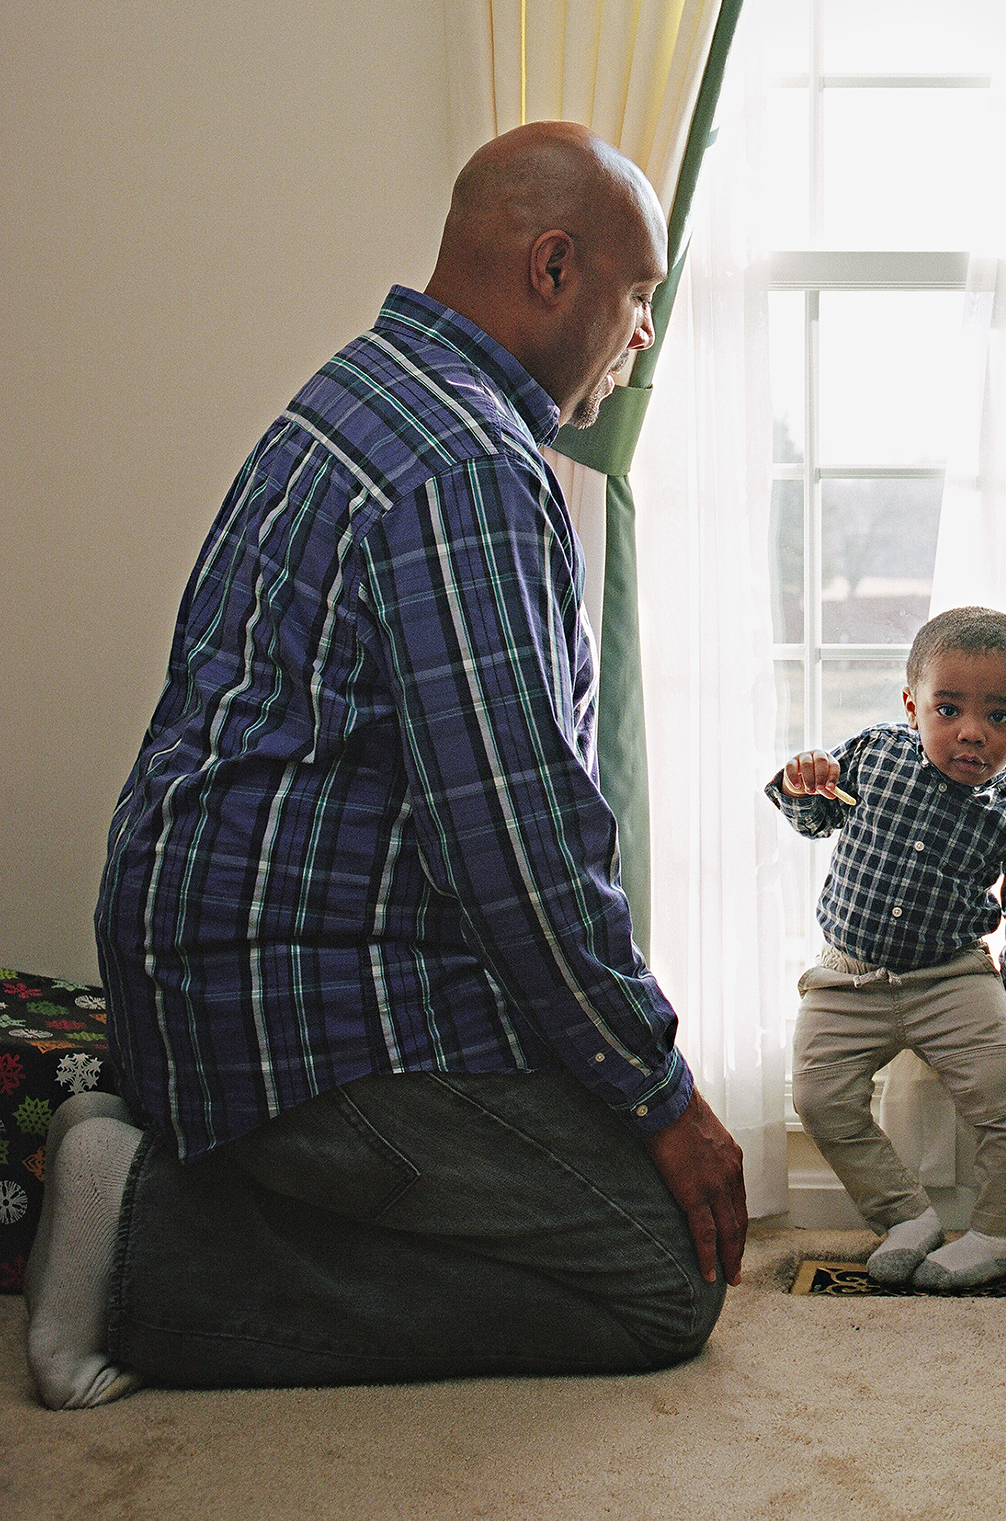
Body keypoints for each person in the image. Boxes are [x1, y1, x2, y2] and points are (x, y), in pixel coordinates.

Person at [25, 121, 747, 1410]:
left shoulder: (368, 389)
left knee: (588, 1183)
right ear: (552, 267)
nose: (642, 337)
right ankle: (145, 1243)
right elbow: (519, 843)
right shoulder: (469, 462)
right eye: (637, 298)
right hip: (297, 1006)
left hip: (227, 973)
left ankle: (169, 1172)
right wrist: (660, 1092)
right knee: (658, 1276)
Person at [768, 607, 1006, 1291]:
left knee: (1003, 1105)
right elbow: (818, 818)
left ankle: (1000, 1231)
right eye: (948, 708)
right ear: (911, 705)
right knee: (817, 1097)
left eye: (998, 717)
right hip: (846, 976)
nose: (971, 732)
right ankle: (904, 1216)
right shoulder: (876, 753)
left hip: (953, 980)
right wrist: (800, 783)